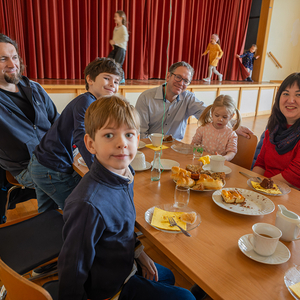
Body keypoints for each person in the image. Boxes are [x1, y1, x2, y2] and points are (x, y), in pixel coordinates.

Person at [58, 95, 197, 300]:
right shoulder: (87, 205)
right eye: (108, 135)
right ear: (90, 144)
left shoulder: (125, 173)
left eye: (129, 134)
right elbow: (72, 269)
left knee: (166, 276)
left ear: (138, 139)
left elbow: (121, 228)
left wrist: (139, 253)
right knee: (187, 298)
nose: (122, 143)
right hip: (108, 289)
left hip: (124, 264)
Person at [28, 57, 123, 212]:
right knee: (80, 210)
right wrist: (97, 171)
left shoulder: (93, 103)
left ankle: (48, 235)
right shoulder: (86, 101)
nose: (113, 84)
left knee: (46, 216)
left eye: (117, 81)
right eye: (107, 78)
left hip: (41, 163)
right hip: (51, 168)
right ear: (90, 79)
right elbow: (82, 135)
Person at [135, 61, 252, 141]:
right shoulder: (146, 98)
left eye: (186, 81)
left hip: (174, 149)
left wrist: (233, 124)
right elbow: (141, 133)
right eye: (178, 77)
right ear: (168, 76)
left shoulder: (188, 98)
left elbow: (209, 114)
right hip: (150, 148)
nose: (181, 83)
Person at [0, 33, 59, 188]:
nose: (12, 64)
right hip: (25, 168)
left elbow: (57, 121)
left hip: (55, 157)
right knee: (79, 185)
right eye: (3, 59)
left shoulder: (35, 88)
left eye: (14, 57)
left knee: (98, 170)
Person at [253, 72, 300, 189]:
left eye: (298, 95)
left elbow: (294, 174)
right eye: (286, 94)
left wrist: (262, 186)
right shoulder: (272, 130)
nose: (291, 100)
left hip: (290, 197)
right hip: (265, 190)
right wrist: (253, 184)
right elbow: (260, 164)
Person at [191, 94, 241, 161]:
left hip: (219, 165)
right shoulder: (203, 129)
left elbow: (232, 152)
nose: (220, 119)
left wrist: (224, 158)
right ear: (212, 113)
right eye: (217, 115)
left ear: (231, 116)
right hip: (202, 162)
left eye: (224, 117)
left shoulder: (231, 134)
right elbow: (194, 144)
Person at [108, 10, 129, 84]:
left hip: (121, 48)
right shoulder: (115, 28)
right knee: (109, 61)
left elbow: (125, 38)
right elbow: (115, 38)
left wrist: (116, 42)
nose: (114, 18)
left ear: (121, 18)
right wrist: (113, 44)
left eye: (116, 16)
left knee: (118, 64)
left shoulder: (123, 28)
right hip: (116, 48)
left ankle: (122, 78)